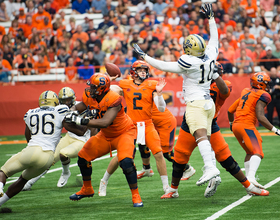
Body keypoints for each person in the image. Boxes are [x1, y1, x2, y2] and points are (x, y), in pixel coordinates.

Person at [133, 3, 220, 188]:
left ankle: (210, 168)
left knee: (201, 136)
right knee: (206, 138)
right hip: (208, 103)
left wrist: (144, 57)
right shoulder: (211, 54)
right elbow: (214, 39)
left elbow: (163, 66)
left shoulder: (189, 62)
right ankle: (213, 175)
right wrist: (211, 19)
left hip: (196, 102)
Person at [161, 63, 270, 199]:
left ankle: (249, 186)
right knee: (179, 158)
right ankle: (173, 189)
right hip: (190, 121)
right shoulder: (195, 81)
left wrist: (214, 75)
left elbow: (224, 91)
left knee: (225, 157)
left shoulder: (223, 84)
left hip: (209, 123)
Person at [65, 73, 143, 207]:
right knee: (83, 157)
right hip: (106, 135)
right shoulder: (90, 96)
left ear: (102, 89)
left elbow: (105, 122)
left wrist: (81, 120)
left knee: (126, 162)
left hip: (124, 133)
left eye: (94, 88)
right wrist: (72, 111)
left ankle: (136, 195)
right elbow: (81, 105)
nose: (90, 90)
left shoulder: (113, 99)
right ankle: (87, 189)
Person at [0, 91, 83, 210]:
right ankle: (1, 201)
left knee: (3, 172)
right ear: (55, 101)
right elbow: (74, 128)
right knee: (23, 180)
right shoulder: (61, 110)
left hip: (31, 150)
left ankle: (0, 187)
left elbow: (28, 135)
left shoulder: (30, 113)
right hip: (47, 157)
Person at [98, 60, 170, 197]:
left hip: (147, 124)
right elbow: (107, 89)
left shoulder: (152, 85)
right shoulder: (125, 84)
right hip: (130, 126)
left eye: (145, 70)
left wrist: (159, 94)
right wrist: (107, 79)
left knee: (158, 153)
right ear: (133, 72)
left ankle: (166, 186)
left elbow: (161, 108)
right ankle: (104, 181)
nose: (144, 72)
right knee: (121, 156)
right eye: (140, 70)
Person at [22, 87, 96, 190]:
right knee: (48, 158)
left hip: (82, 139)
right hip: (69, 137)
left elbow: (93, 122)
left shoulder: (80, 106)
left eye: (68, 100)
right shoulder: (58, 108)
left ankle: (65, 172)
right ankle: (29, 183)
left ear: (73, 98)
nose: (66, 102)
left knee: (63, 153)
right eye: (63, 100)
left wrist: (92, 139)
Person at [228, 72, 280, 189]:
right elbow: (261, 117)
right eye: (267, 84)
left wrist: (231, 124)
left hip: (237, 126)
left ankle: (247, 182)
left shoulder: (245, 91)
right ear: (261, 84)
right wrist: (276, 130)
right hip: (246, 125)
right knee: (258, 153)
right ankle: (251, 178)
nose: (268, 86)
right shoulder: (263, 95)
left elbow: (230, 110)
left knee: (250, 153)